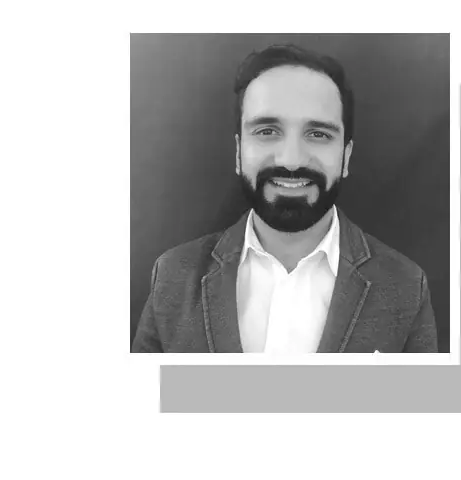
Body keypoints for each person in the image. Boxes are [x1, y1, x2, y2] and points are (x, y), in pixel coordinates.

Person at [131, 44, 437, 353]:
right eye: (267, 131)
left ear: (346, 157)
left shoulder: (406, 288)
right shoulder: (172, 276)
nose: (291, 160)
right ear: (238, 151)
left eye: (318, 134)